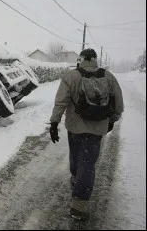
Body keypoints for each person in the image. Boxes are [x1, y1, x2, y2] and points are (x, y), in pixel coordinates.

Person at [49, 48, 124, 221]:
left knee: (76, 158)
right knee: (88, 163)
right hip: (97, 129)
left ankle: (77, 181)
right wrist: (112, 119)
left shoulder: (71, 76)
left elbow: (61, 101)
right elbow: (118, 102)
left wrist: (54, 123)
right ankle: (80, 205)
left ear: (81, 59)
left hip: (74, 127)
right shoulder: (109, 76)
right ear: (96, 60)